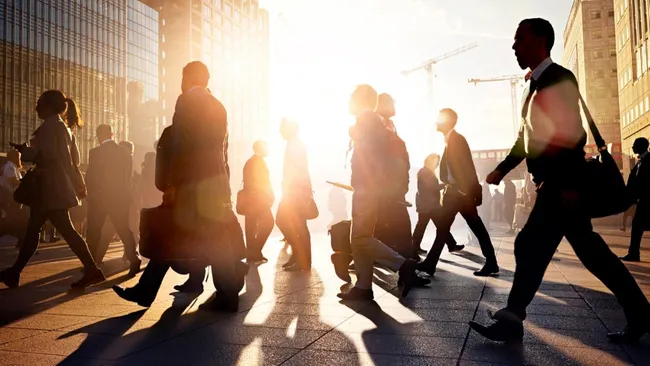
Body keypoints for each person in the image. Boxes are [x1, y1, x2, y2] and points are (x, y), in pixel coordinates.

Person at [470, 18, 650, 343]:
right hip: (556, 185)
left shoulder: (559, 78)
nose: (513, 47)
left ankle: (512, 320)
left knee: (532, 245)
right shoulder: (531, 86)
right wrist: (502, 168)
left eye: (519, 40)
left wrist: (567, 185)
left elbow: (573, 134)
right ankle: (641, 314)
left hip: (562, 186)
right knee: (591, 254)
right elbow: (525, 141)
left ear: (540, 40)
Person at [112, 61, 245, 312]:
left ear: (188, 78)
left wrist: (173, 183)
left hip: (191, 183)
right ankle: (224, 295)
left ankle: (148, 290)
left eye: (183, 77)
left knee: (172, 233)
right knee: (209, 238)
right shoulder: (219, 106)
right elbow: (221, 151)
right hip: (214, 183)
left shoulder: (187, 101)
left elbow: (181, 146)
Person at [0, 90, 105, 289]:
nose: (36, 107)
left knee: (55, 231)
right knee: (37, 230)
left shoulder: (49, 126)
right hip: (56, 188)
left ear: (49, 106)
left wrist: (26, 151)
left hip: (48, 188)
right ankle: (14, 272)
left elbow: (46, 156)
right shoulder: (65, 128)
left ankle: (91, 270)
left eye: (39, 103)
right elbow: (75, 160)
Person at [336, 84, 427, 301]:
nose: (349, 102)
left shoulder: (366, 118)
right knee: (360, 237)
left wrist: (366, 183)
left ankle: (402, 265)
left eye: (351, 97)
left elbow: (371, 154)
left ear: (361, 100)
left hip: (367, 187)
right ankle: (363, 286)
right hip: (369, 186)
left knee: (359, 237)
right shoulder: (372, 120)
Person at [418, 109, 498, 277]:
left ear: (447, 121)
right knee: (450, 228)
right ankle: (430, 264)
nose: (436, 122)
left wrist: (465, 191)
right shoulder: (450, 140)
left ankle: (491, 262)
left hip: (459, 194)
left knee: (469, 227)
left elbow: (468, 167)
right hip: (455, 193)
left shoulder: (457, 140)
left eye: (439, 119)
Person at [85, 125, 142, 276]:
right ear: (112, 134)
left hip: (100, 198)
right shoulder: (124, 152)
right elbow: (127, 177)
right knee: (124, 230)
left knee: (94, 230)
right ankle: (134, 258)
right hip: (120, 197)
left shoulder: (95, 153)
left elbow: (92, 177)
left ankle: (90, 264)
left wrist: (91, 194)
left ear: (98, 136)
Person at [374, 93, 417, 259]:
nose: (394, 108)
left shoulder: (390, 125)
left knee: (388, 226)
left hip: (395, 187)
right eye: (392, 104)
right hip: (384, 187)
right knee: (397, 226)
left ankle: (406, 260)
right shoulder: (375, 125)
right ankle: (408, 261)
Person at [276, 119, 313, 271]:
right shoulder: (293, 144)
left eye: (282, 128)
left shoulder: (295, 146)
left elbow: (299, 169)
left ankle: (302, 258)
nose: (280, 131)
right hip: (295, 190)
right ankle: (299, 255)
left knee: (288, 222)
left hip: (295, 191)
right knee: (296, 224)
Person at [412, 153, 464, 254]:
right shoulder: (426, 172)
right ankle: (414, 247)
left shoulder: (425, 171)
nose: (437, 164)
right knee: (439, 226)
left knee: (434, 226)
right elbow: (432, 187)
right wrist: (445, 185)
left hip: (427, 205)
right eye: (437, 162)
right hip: (429, 205)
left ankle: (415, 247)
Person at [242, 140, 275, 264]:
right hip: (257, 200)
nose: (268, 150)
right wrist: (268, 196)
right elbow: (261, 182)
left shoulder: (253, 161)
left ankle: (253, 253)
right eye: (266, 147)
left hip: (254, 199)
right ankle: (254, 251)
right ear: (261, 148)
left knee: (252, 227)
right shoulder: (256, 162)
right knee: (268, 223)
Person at [621, 137, 650, 262]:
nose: (632, 147)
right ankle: (633, 253)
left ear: (642, 146)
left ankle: (634, 253)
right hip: (642, 201)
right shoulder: (640, 162)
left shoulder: (649, 160)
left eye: (635, 145)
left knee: (638, 225)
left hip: (647, 200)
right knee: (637, 225)